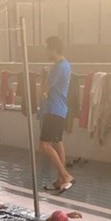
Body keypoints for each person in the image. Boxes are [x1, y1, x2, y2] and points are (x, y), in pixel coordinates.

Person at [38, 36, 74, 193]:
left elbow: (43, 90)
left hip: (53, 110)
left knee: (44, 145)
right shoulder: (66, 65)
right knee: (57, 142)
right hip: (61, 110)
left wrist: (43, 78)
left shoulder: (58, 67)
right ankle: (60, 179)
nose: (45, 52)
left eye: (47, 48)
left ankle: (66, 176)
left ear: (53, 49)